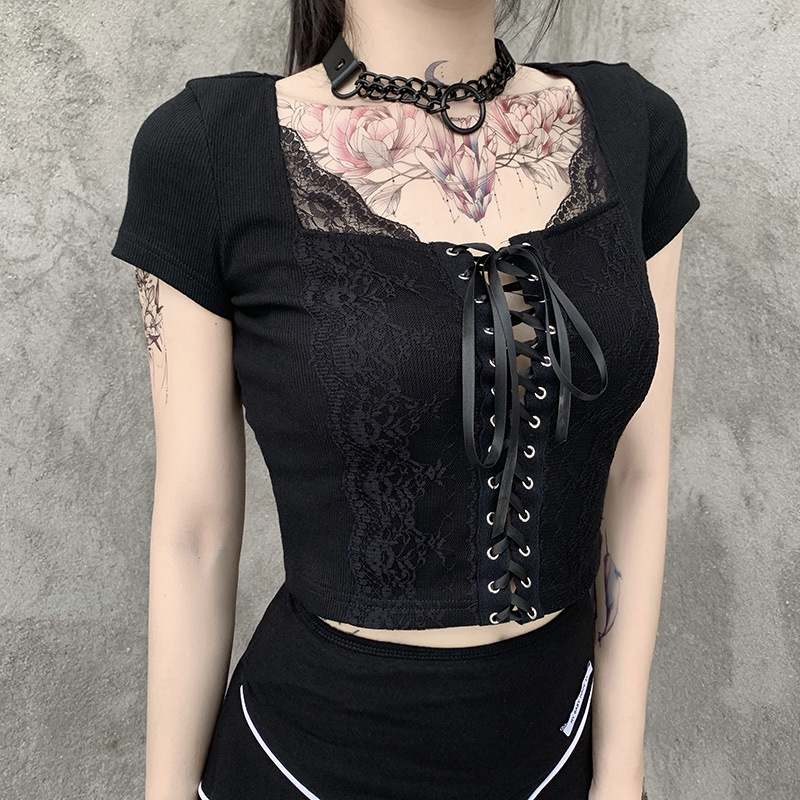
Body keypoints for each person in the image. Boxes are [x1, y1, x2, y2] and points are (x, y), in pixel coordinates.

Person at [110, 0, 700, 798]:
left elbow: (637, 470)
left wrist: (621, 772)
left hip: (561, 760)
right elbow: (194, 532)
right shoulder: (207, 150)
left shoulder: (633, 127)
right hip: (302, 765)